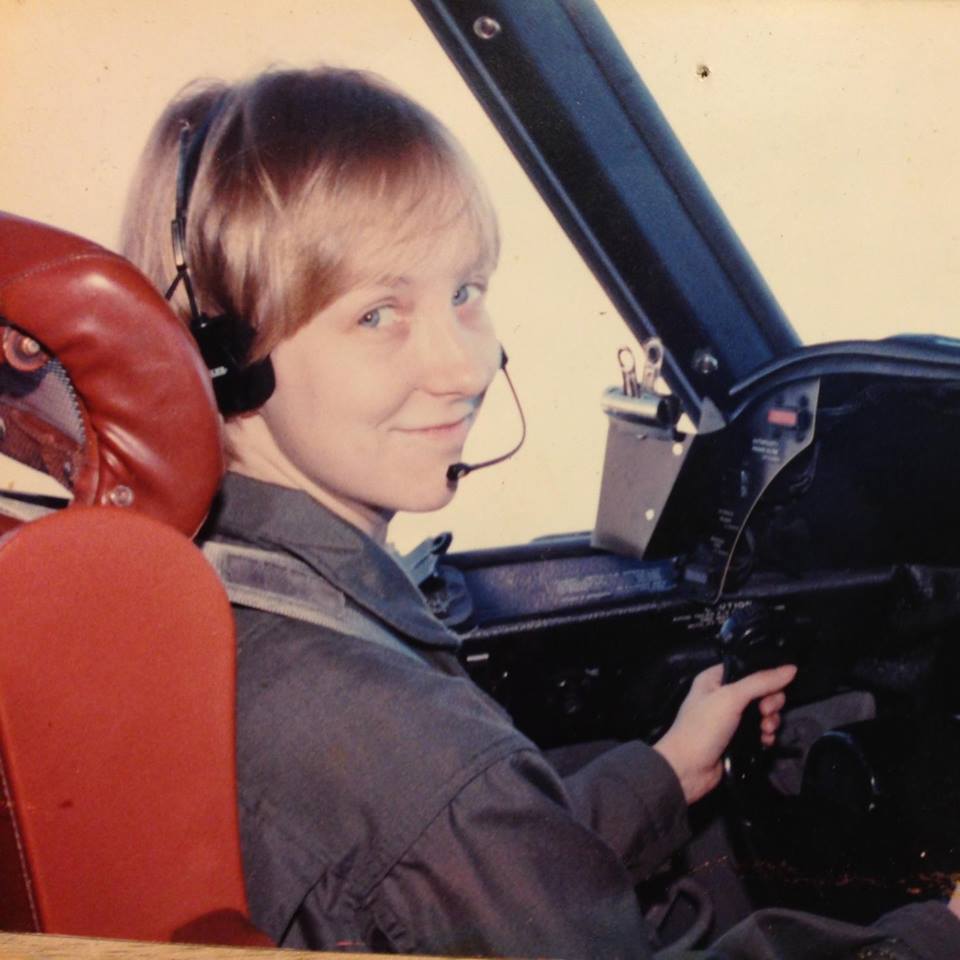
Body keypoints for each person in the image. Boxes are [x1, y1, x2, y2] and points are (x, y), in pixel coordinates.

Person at [120, 67, 960, 958]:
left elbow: (462, 863)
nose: (464, 367)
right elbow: (446, 821)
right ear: (221, 357)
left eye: (465, 292)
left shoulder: (223, 590)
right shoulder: (408, 749)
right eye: (378, 315)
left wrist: (664, 775)